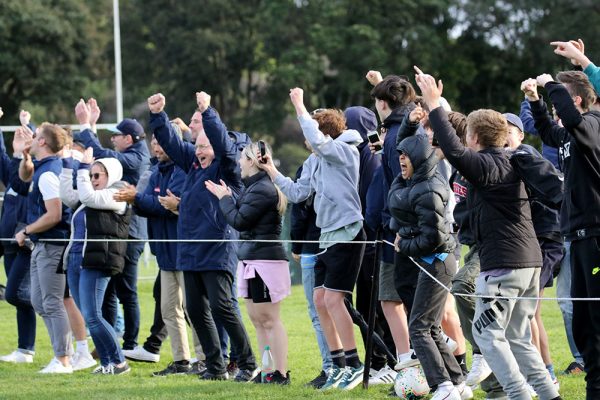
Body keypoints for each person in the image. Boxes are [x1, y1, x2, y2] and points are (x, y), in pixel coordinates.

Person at [416, 67, 559, 400]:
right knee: (519, 338)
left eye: (468, 137)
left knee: (487, 334)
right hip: (530, 264)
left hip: (503, 267)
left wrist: (435, 103)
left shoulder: (487, 166)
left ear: (475, 139)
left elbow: (452, 150)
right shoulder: (512, 161)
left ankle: (518, 394)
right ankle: (550, 395)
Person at [260, 88, 366, 391]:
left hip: (348, 232)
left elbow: (318, 140)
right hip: (326, 237)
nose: (307, 141)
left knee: (334, 299)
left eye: (310, 133)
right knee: (320, 301)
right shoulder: (314, 161)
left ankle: (354, 365)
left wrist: (299, 106)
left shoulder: (344, 152)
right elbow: (297, 193)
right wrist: (272, 171)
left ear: (322, 134)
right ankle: (338, 366)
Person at [148, 91, 258, 382]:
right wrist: (158, 116)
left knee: (222, 306)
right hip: (190, 250)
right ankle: (215, 366)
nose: (199, 150)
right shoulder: (194, 166)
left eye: (204, 145)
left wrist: (208, 112)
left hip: (217, 248)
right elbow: (172, 143)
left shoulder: (227, 168)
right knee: (195, 309)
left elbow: (221, 143)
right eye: (197, 145)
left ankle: (248, 363)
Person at [524, 67, 600, 399]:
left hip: (597, 239)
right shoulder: (570, 135)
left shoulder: (593, 125)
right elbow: (550, 132)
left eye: (560, 102)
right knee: (583, 321)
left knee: (596, 318)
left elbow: (572, 121)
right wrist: (536, 102)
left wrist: (550, 84)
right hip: (577, 237)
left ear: (577, 100)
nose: (556, 110)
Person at [114, 134, 207, 376]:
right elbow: (149, 207)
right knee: (168, 309)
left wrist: (140, 199)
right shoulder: (157, 171)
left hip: (184, 252)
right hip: (165, 254)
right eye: (154, 142)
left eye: (161, 141)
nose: (156, 146)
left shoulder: (181, 170)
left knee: (193, 308)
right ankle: (181, 361)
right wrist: (138, 200)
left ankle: (204, 359)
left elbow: (167, 206)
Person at [388, 133, 467, 400]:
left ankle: (443, 387)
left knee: (419, 327)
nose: (401, 158)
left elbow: (432, 238)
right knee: (430, 328)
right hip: (433, 263)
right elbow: (397, 197)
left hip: (438, 262)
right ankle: (458, 383)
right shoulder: (416, 183)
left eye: (406, 154)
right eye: (399, 154)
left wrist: (403, 245)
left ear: (420, 158)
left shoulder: (429, 188)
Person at [206, 142, 291, 384]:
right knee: (257, 319)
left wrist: (225, 199)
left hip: (266, 261)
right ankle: (267, 372)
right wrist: (230, 197)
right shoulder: (253, 188)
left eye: (242, 158)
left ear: (252, 161)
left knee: (269, 319)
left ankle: (281, 374)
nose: (239, 163)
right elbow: (243, 215)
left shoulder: (263, 189)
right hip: (253, 259)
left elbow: (240, 221)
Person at [75, 99, 151, 352]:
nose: (113, 140)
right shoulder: (132, 152)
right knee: (110, 293)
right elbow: (102, 158)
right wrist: (92, 126)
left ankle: (129, 344)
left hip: (129, 235)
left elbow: (102, 157)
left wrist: (86, 125)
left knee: (127, 292)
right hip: (117, 234)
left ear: (128, 138)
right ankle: (109, 342)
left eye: (117, 136)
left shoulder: (135, 158)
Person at [505, 112, 564, 390]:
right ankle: (544, 371)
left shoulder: (524, 155)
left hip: (545, 239)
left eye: (509, 131)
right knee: (531, 312)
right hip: (533, 239)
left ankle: (544, 374)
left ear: (519, 134)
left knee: (528, 311)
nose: (504, 137)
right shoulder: (512, 159)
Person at [60, 147, 132, 374]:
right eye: (90, 175)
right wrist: (66, 165)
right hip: (76, 260)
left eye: (96, 175)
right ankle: (107, 363)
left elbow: (88, 196)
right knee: (90, 317)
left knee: (93, 316)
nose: (92, 179)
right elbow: (68, 196)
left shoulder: (116, 193)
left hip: (97, 261)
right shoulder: (88, 197)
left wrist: (82, 167)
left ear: (110, 176)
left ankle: (119, 362)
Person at [13, 122, 72, 373]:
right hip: (42, 244)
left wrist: (27, 230)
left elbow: (54, 214)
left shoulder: (48, 174)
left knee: (51, 302)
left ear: (43, 143)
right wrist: (25, 155)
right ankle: (60, 356)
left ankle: (63, 360)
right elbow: (23, 176)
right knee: (38, 301)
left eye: (35, 136)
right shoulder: (41, 167)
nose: (32, 137)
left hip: (52, 244)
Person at [289, 147, 331, 388]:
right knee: (336, 309)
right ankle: (341, 365)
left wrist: (296, 244)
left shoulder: (309, 165)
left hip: (311, 247)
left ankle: (330, 368)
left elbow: (299, 209)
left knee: (318, 314)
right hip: (334, 243)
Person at [0, 110, 36, 364]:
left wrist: (28, 127)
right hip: (9, 245)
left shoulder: (32, 177)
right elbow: (2, 157)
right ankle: (25, 350)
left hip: (25, 245)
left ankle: (52, 309)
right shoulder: (13, 176)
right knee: (18, 297)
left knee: (13, 294)